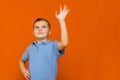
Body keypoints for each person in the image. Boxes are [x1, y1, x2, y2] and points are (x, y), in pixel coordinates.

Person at [19, 4, 70, 80]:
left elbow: (65, 43)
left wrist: (61, 21)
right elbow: (21, 61)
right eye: (37, 27)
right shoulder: (30, 47)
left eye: (43, 27)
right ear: (33, 32)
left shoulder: (53, 46)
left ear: (49, 32)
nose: (40, 29)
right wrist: (23, 70)